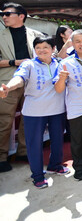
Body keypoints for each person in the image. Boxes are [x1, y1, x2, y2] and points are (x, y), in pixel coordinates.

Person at [0, 36, 68, 188]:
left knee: (57, 140)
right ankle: (37, 176)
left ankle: (55, 166)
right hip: (34, 112)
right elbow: (19, 78)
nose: (41, 50)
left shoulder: (60, 64)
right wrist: (8, 88)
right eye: (38, 47)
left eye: (45, 47)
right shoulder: (29, 65)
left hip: (57, 110)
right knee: (34, 144)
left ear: (53, 49)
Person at [0, 2, 44, 172]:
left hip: (32, 82)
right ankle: (1, 156)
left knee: (29, 119)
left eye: (7, 13)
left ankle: (24, 152)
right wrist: (14, 62)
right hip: (7, 82)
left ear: (21, 16)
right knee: (4, 120)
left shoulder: (36, 35)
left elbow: (47, 55)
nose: (4, 17)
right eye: (2, 14)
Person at [54, 30, 82, 181]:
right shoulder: (66, 63)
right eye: (78, 41)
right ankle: (79, 166)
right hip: (77, 107)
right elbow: (59, 89)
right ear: (72, 44)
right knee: (78, 138)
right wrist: (61, 79)